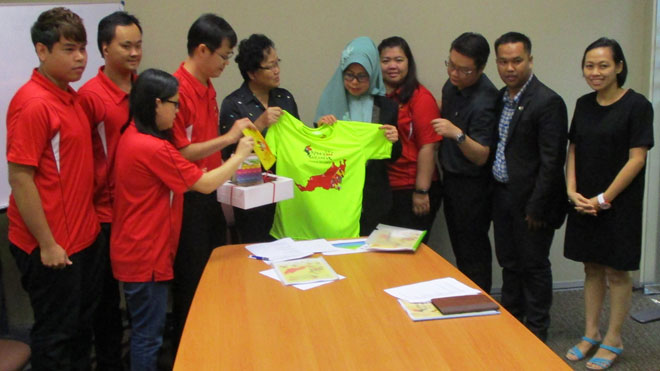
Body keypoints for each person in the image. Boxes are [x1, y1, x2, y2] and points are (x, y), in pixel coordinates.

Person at [111, 69, 254, 371]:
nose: (177, 112)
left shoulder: (132, 135)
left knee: (145, 333)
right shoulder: (152, 148)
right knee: (148, 338)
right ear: (156, 104)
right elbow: (204, 184)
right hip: (146, 253)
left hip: (137, 248)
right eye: (174, 105)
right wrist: (238, 155)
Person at [6, 7, 104, 369]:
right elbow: (20, 178)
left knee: (80, 333)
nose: (80, 57)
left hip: (83, 239)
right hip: (52, 247)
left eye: (82, 48)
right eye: (68, 49)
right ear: (42, 51)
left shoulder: (71, 96)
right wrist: (47, 244)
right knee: (56, 340)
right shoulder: (33, 104)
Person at [563, 38, 653, 370]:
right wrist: (572, 191)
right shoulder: (583, 104)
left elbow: (637, 159)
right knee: (591, 267)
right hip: (585, 200)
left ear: (618, 66)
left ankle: (613, 338)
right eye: (589, 65)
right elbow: (573, 150)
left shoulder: (638, 105)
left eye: (603, 65)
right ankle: (590, 333)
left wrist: (604, 199)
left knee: (616, 271)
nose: (595, 72)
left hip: (618, 202)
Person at [170, 14, 252, 347]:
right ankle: (190, 349)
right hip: (188, 197)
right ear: (202, 50)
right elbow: (179, 153)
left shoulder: (207, 85)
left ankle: (213, 341)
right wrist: (230, 140)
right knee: (191, 279)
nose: (226, 64)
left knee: (215, 270)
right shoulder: (177, 90)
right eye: (223, 56)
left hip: (211, 192)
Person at [491, 32, 568, 342]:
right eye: (504, 61)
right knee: (509, 262)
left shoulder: (548, 102)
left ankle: (536, 331)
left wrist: (537, 206)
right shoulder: (500, 97)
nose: (510, 68)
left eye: (517, 61)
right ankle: (512, 321)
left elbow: (552, 161)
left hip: (533, 202)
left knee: (533, 266)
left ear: (530, 61)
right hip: (502, 195)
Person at [78, 11, 142, 369]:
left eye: (138, 45)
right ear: (104, 48)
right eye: (126, 46)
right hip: (104, 214)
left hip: (141, 210)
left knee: (142, 298)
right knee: (104, 303)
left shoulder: (146, 88)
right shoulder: (89, 97)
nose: (134, 53)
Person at [430, 32, 499, 292]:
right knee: (460, 247)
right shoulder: (452, 85)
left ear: (480, 69)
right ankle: (465, 298)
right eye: (450, 64)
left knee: (473, 250)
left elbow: (481, 155)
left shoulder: (486, 99)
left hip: (474, 186)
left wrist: (456, 133)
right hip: (451, 179)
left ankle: (481, 300)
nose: (454, 73)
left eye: (463, 70)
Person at [315, 36, 400, 236]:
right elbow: (316, 153)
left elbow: (393, 156)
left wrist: (394, 139)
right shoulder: (330, 104)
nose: (354, 82)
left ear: (373, 73)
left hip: (374, 196)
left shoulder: (386, 106)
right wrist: (321, 131)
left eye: (362, 76)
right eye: (349, 75)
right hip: (337, 193)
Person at [220, 34, 299, 243]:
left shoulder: (285, 97)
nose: (277, 70)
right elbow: (230, 153)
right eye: (270, 66)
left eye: (277, 63)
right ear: (252, 73)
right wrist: (260, 124)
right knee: (255, 251)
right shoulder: (234, 104)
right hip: (253, 193)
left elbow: (299, 140)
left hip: (287, 189)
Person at [378, 36, 442, 239]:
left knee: (408, 256)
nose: (392, 66)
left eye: (399, 60)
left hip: (411, 188)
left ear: (409, 63)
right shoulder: (376, 98)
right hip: (385, 188)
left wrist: (421, 191)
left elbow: (428, 148)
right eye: (386, 60)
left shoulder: (421, 98)